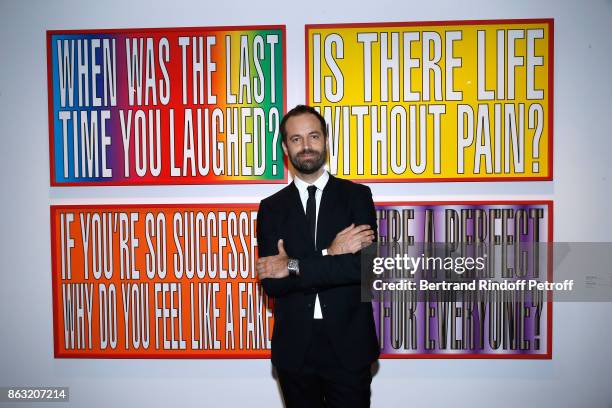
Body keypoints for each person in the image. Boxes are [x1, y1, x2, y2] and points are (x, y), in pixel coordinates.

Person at [256, 105, 379, 408]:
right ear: (285, 147)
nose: (306, 145)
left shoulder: (357, 197)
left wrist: (293, 266)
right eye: (296, 139)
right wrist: (331, 253)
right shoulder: (271, 208)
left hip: (349, 347)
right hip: (295, 351)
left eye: (313, 136)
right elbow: (273, 283)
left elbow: (362, 268)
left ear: (326, 140)